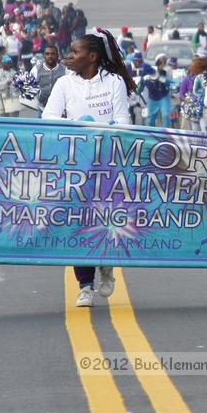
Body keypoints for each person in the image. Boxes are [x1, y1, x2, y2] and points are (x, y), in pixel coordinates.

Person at [42, 29, 135, 307]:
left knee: (104, 220)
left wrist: (106, 130)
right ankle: (84, 284)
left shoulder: (115, 82)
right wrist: (78, 126)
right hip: (75, 160)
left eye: (75, 51)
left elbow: (123, 121)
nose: (68, 56)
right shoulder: (64, 84)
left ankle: (106, 264)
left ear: (92, 56)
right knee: (77, 222)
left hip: (108, 160)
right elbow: (48, 117)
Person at [30, 46, 67, 114]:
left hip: (61, 109)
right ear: (44, 56)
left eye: (53, 54)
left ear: (57, 55)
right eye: (47, 54)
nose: (50, 56)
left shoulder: (65, 70)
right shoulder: (36, 70)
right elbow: (31, 89)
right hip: (42, 108)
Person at [139, 55, 174, 127]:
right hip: (152, 98)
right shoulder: (146, 76)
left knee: (166, 115)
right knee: (150, 120)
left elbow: (170, 83)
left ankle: (166, 135)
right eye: (160, 62)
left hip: (163, 97)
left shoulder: (165, 71)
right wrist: (138, 89)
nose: (162, 64)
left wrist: (162, 79)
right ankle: (151, 136)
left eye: (163, 62)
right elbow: (140, 88)